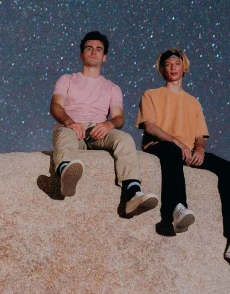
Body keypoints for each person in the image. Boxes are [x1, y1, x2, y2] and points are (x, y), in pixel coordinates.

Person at [136, 48, 230, 265]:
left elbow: (200, 136)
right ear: (162, 69)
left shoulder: (193, 102)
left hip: (187, 151)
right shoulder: (150, 95)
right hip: (161, 146)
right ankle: (176, 210)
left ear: (184, 67)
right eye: (168, 64)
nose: (173, 68)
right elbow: (150, 127)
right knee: (172, 151)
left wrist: (199, 149)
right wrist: (176, 141)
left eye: (177, 63)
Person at [50, 31, 158, 217]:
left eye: (99, 49)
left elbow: (119, 118)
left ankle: (133, 192)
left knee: (124, 139)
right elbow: (56, 106)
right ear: (81, 54)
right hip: (72, 126)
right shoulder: (67, 79)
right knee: (64, 133)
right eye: (89, 48)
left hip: (98, 130)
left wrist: (109, 125)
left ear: (104, 57)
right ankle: (66, 172)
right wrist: (69, 122)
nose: (93, 52)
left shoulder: (112, 87)